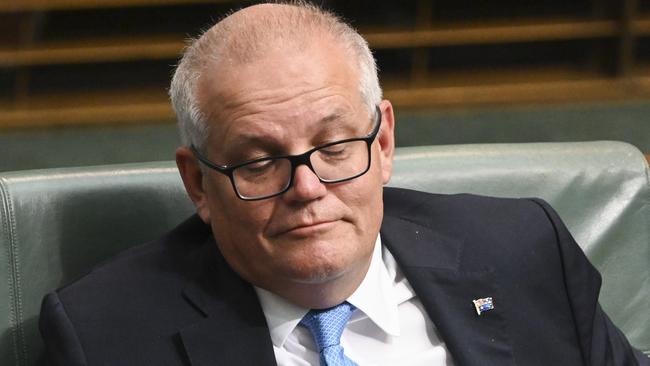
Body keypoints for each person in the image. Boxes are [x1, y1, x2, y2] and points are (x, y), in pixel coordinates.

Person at [39, 2, 648, 365]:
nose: (306, 188)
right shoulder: (108, 333)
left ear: (382, 143)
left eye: (334, 148)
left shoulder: (523, 251)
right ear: (199, 183)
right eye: (259, 162)